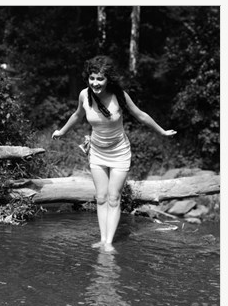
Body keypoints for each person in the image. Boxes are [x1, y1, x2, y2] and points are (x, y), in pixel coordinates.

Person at [52, 56, 176, 252]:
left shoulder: (119, 95)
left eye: (100, 79)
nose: (95, 83)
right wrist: (62, 131)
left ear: (108, 79)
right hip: (97, 152)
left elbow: (141, 114)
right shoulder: (84, 95)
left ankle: (109, 243)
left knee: (113, 197)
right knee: (100, 197)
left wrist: (162, 131)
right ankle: (102, 239)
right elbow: (77, 115)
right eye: (92, 78)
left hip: (119, 152)